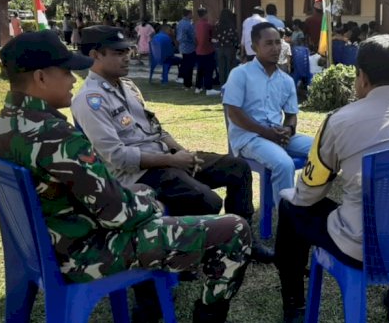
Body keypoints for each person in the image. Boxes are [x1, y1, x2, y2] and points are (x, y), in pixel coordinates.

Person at [0, 30, 263, 323]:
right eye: (65, 71)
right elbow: (116, 213)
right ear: (41, 77)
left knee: (172, 194)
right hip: (88, 253)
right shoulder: (55, 137)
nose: (74, 79)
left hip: (51, 246)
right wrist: (149, 201)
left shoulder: (3, 126)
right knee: (234, 230)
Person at [275, 35, 389, 323]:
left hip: (364, 247)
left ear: (363, 78)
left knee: (290, 207)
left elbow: (308, 195)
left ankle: (295, 306)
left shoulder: (340, 120)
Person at [72, 25, 273, 263]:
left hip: (166, 159)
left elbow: (156, 128)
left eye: (127, 50)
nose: (127, 56)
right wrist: (172, 159)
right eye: (118, 52)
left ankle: (246, 243)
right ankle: (189, 252)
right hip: (138, 176)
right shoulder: (89, 100)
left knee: (236, 167)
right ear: (95, 55)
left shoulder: (128, 87)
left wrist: (180, 151)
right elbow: (117, 157)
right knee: (208, 200)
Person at [223, 22, 313, 210]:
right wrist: (267, 133)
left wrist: (288, 129)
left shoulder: (286, 80)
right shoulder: (240, 74)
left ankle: (306, 205)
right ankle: (287, 222)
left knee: (321, 149)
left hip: (277, 135)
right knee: (284, 164)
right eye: (269, 43)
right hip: (249, 138)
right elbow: (234, 113)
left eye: (278, 43)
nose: (275, 48)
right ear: (255, 46)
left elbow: (291, 115)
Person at [194, 7, 219, 95]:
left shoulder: (197, 25)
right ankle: (208, 88)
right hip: (207, 50)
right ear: (205, 14)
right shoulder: (208, 25)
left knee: (200, 70)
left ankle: (198, 87)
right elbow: (212, 36)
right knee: (209, 69)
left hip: (199, 50)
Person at [214, 9, 239, 83]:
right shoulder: (231, 25)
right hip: (229, 48)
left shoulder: (217, 24)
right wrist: (237, 46)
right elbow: (234, 38)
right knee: (230, 67)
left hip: (220, 49)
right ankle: (230, 84)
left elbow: (215, 37)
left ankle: (222, 84)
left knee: (221, 68)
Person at [176, 9, 197, 90]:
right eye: (191, 14)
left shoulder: (180, 23)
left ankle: (185, 82)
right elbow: (192, 36)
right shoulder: (188, 24)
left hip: (182, 46)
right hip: (189, 47)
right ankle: (188, 84)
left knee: (185, 64)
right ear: (188, 14)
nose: (192, 15)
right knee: (189, 66)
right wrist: (196, 44)